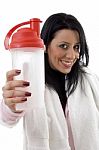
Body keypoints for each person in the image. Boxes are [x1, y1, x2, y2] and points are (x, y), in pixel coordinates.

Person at [0, 12, 99, 150]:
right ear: (45, 46)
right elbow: (6, 120)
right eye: (63, 46)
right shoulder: (30, 79)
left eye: (76, 47)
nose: (72, 55)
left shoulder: (89, 80)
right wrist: (10, 104)